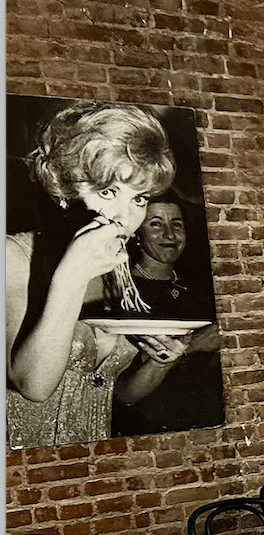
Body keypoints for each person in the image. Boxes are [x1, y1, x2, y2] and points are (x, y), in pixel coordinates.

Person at [6, 100, 183, 447]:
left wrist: (158, 363)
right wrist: (71, 275)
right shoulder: (13, 256)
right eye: (108, 192)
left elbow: (115, 391)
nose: (126, 219)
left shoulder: (116, 269)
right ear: (64, 190)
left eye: (139, 198)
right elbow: (33, 386)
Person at [109, 187, 225, 437]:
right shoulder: (123, 293)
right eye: (156, 224)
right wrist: (193, 345)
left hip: (203, 421)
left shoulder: (198, 291)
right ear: (137, 232)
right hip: (146, 426)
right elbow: (122, 386)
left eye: (177, 224)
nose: (169, 234)